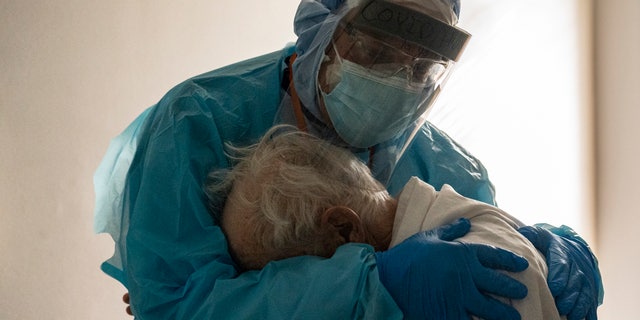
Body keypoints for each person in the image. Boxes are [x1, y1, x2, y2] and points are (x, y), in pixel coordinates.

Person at [94, 0, 603, 319]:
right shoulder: (197, 124)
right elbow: (178, 307)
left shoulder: (450, 170)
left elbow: (494, 271)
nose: (398, 78)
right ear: (322, 27)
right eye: (378, 51)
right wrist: (371, 283)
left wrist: (551, 252)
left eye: (422, 65)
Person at [206, 124, 576, 319]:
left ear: (343, 229)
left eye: (292, 275)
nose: (307, 297)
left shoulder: (478, 281)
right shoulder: (455, 218)